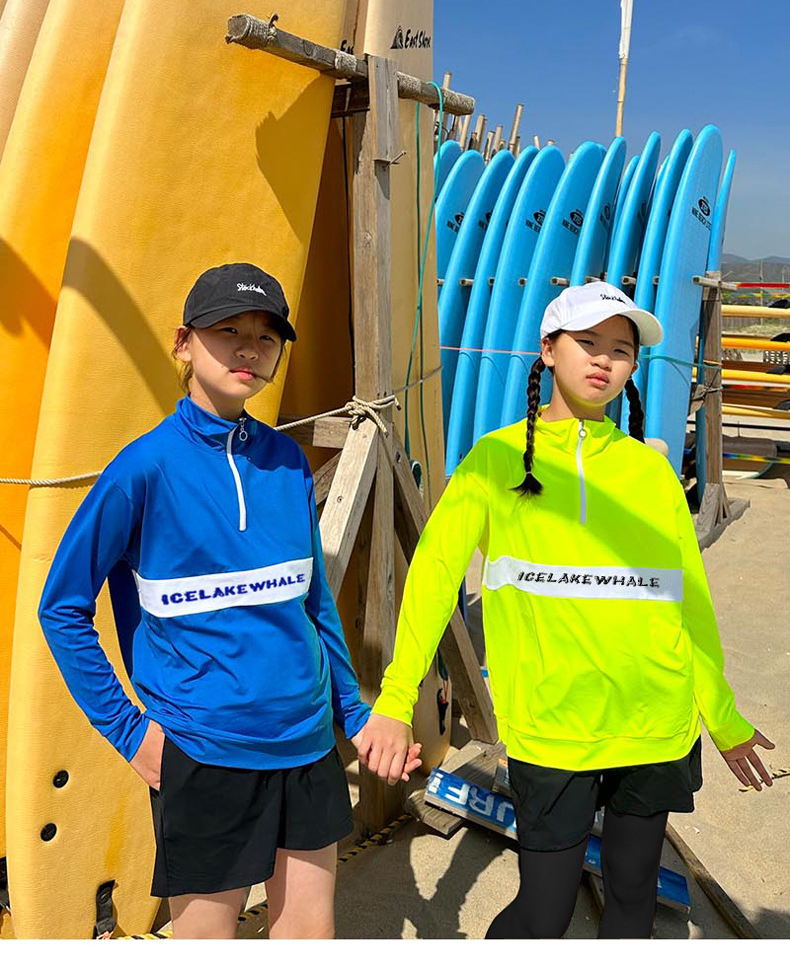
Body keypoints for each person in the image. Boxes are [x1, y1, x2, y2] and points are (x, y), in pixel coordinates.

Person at [357, 281, 775, 938]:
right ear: (548, 349)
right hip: (552, 727)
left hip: (654, 722)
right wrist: (395, 697)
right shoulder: (494, 460)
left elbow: (688, 604)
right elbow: (433, 578)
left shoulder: (651, 472)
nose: (604, 359)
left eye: (621, 349)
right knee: (543, 910)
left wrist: (722, 717)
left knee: (633, 897)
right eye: (588, 342)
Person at [38, 262, 420, 939]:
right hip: (203, 752)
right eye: (228, 331)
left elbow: (314, 605)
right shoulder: (142, 469)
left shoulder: (287, 461)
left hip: (307, 744)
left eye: (267, 336)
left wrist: (354, 714)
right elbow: (61, 607)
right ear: (184, 342)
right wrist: (130, 733)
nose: (249, 348)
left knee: (309, 938)